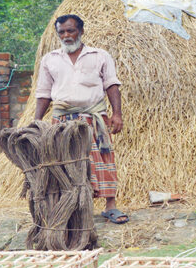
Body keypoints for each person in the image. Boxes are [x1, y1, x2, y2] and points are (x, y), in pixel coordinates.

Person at [34, 14, 128, 224]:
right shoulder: (50, 59)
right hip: (62, 120)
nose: (66, 35)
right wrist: (36, 121)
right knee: (64, 163)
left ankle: (110, 207)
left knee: (103, 160)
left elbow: (112, 85)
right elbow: (43, 93)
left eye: (71, 31)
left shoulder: (99, 55)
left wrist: (117, 114)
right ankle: (70, 210)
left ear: (81, 31)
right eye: (62, 32)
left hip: (93, 117)